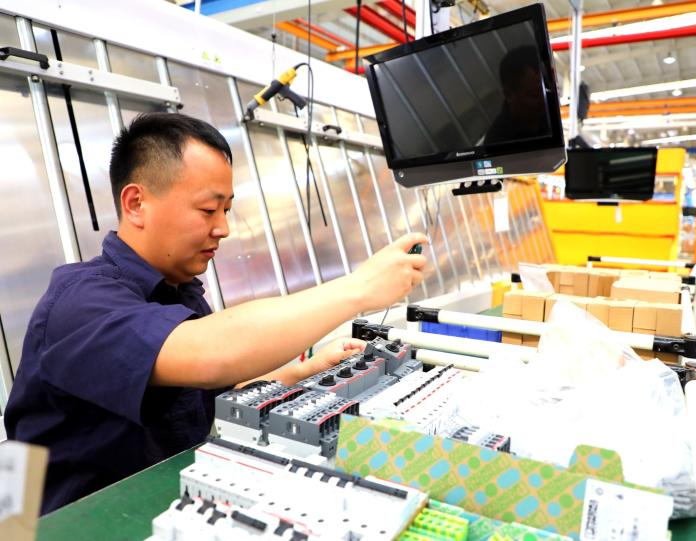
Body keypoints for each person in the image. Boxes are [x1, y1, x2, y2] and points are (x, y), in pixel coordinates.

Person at [4, 113, 427, 514]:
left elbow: (214, 391)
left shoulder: (180, 294)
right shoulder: (79, 302)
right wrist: (358, 288)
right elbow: (210, 355)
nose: (223, 227)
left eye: (226, 210)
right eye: (209, 210)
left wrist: (306, 370)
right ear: (135, 203)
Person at [483, 46, 549, 146]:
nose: (544, 100)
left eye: (546, 90)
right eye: (534, 95)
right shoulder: (497, 142)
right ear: (508, 95)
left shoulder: (548, 115)